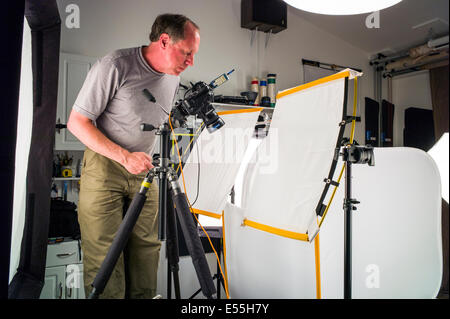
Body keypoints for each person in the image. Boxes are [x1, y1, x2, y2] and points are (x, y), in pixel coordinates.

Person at [67, 13, 200, 299]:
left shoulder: (173, 77)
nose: (191, 62)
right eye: (187, 53)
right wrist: (124, 156)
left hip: (145, 170)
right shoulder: (115, 65)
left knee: (146, 254)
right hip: (106, 169)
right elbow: (77, 123)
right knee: (106, 259)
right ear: (164, 41)